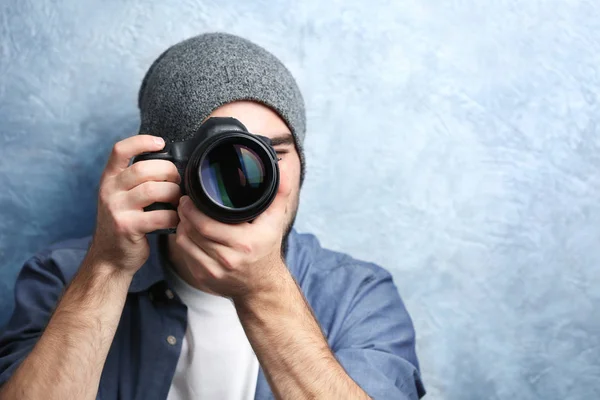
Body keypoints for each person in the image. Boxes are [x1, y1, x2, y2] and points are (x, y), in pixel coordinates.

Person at [0, 32, 425, 400]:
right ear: (159, 165)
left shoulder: (357, 295)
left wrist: (264, 291)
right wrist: (108, 268)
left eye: (272, 155)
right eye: (221, 159)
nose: (248, 181)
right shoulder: (61, 275)